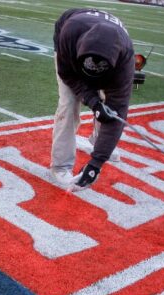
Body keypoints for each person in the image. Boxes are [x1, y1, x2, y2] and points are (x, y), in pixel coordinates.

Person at [51, 8, 135, 191]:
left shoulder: (124, 62)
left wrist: (96, 164)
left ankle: (98, 142)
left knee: (109, 109)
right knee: (69, 103)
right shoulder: (69, 34)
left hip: (106, 58)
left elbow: (118, 109)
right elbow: (68, 75)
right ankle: (61, 165)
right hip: (71, 50)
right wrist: (93, 102)